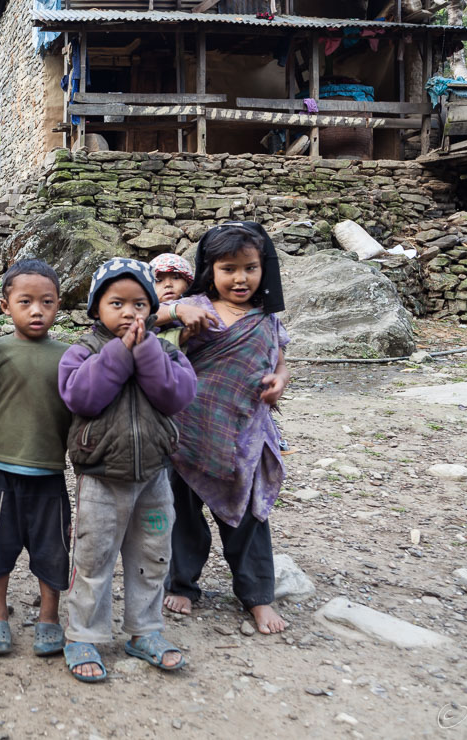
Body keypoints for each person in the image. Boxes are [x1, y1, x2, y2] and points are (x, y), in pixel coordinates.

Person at [57, 258, 198, 682]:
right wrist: (120, 354)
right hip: (100, 477)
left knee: (153, 556)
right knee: (93, 556)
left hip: (154, 477)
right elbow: (83, 398)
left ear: (153, 310)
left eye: (139, 304)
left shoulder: (167, 350)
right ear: (96, 308)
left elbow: (176, 396)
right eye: (116, 302)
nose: (129, 313)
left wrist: (148, 350)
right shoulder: (83, 351)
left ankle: (145, 630)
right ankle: (83, 633)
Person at [164, 222, 292, 635]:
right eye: (229, 269)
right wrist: (176, 314)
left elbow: (279, 360)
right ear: (210, 269)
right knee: (182, 514)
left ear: (264, 269)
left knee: (250, 517)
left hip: (244, 436)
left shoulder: (267, 320)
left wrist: (280, 381)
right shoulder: (194, 306)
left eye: (250, 268)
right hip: (188, 432)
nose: (241, 278)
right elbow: (149, 332)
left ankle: (257, 596)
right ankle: (182, 583)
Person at [0, 259, 73, 658]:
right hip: (0, 472)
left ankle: (49, 619)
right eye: (26, 301)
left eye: (46, 302)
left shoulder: (69, 355)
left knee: (53, 550)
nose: (37, 310)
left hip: (49, 472)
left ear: (59, 304)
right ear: (5, 306)